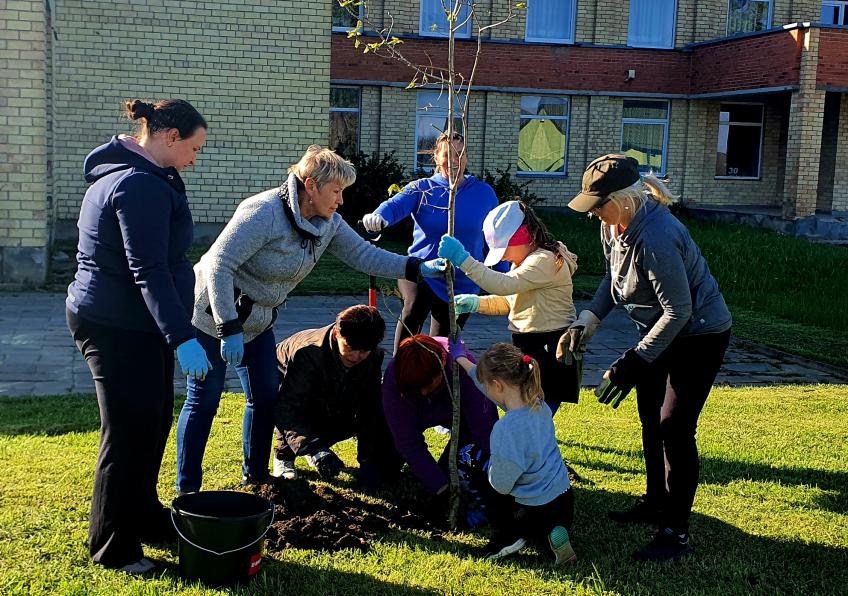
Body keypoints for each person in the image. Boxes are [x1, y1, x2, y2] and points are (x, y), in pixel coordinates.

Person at [175, 146, 445, 495]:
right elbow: (218, 264)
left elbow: (363, 254)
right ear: (310, 185)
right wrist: (227, 325)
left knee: (265, 397)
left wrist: (414, 267)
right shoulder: (262, 212)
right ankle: (188, 492)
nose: (341, 200)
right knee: (205, 398)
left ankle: (256, 476)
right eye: (336, 191)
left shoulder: (327, 223)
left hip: (258, 322)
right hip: (213, 315)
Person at [564, 154, 732, 562]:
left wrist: (635, 361)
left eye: (599, 205)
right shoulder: (614, 224)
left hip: (699, 335)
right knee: (648, 414)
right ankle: (656, 500)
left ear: (622, 199)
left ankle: (675, 532)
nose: (595, 215)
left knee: (673, 425)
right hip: (658, 331)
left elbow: (680, 311)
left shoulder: (657, 235)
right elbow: (613, 276)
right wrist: (589, 319)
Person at [66, 99, 209, 574]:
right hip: (115, 326)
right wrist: (181, 336)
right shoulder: (136, 185)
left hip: (138, 324)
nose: (194, 158)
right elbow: (147, 269)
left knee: (152, 422)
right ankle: (114, 547)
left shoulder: (148, 177)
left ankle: (143, 515)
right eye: (193, 148)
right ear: (170, 137)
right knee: (126, 434)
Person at [438, 200, 581, 415]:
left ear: (524, 236)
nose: (503, 256)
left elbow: (503, 285)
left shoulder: (545, 260)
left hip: (550, 348)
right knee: (524, 407)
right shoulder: (525, 261)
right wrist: (477, 303)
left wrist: (463, 260)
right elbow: (510, 300)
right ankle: (528, 439)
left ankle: (533, 443)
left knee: (537, 413)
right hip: (530, 342)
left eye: (504, 249)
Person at [361, 132, 499, 353]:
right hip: (421, 270)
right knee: (413, 310)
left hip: (462, 280)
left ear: (467, 158)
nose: (454, 161)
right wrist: (379, 217)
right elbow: (394, 206)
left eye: (459, 154)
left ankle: (434, 383)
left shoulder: (484, 193)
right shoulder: (422, 188)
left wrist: (501, 276)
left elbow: (495, 238)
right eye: (447, 154)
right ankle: (398, 373)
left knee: (441, 344)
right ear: (436, 157)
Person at [453, 343, 576, 565]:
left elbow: (501, 485)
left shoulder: (506, 429)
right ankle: (554, 531)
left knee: (489, 487)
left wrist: (488, 470)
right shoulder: (539, 405)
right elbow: (489, 385)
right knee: (550, 522)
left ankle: (511, 537)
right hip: (563, 501)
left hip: (532, 510)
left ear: (497, 385)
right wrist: (462, 360)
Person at [271, 305, 401, 490]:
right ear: (336, 335)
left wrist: (369, 461)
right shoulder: (308, 353)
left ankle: (315, 447)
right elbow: (287, 406)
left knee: (345, 416)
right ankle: (284, 457)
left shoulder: (373, 356)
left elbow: (370, 407)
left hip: (327, 382)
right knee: (301, 408)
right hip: (282, 379)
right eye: (350, 348)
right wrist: (314, 447)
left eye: (364, 351)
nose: (356, 357)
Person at [381, 334, 498, 499]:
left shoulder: (462, 369)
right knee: (377, 472)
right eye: (416, 387)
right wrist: (440, 486)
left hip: (457, 415)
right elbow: (406, 440)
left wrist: (497, 473)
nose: (423, 392)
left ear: (443, 362)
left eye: (428, 384)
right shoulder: (397, 373)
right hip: (412, 414)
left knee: (465, 461)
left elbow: (485, 428)